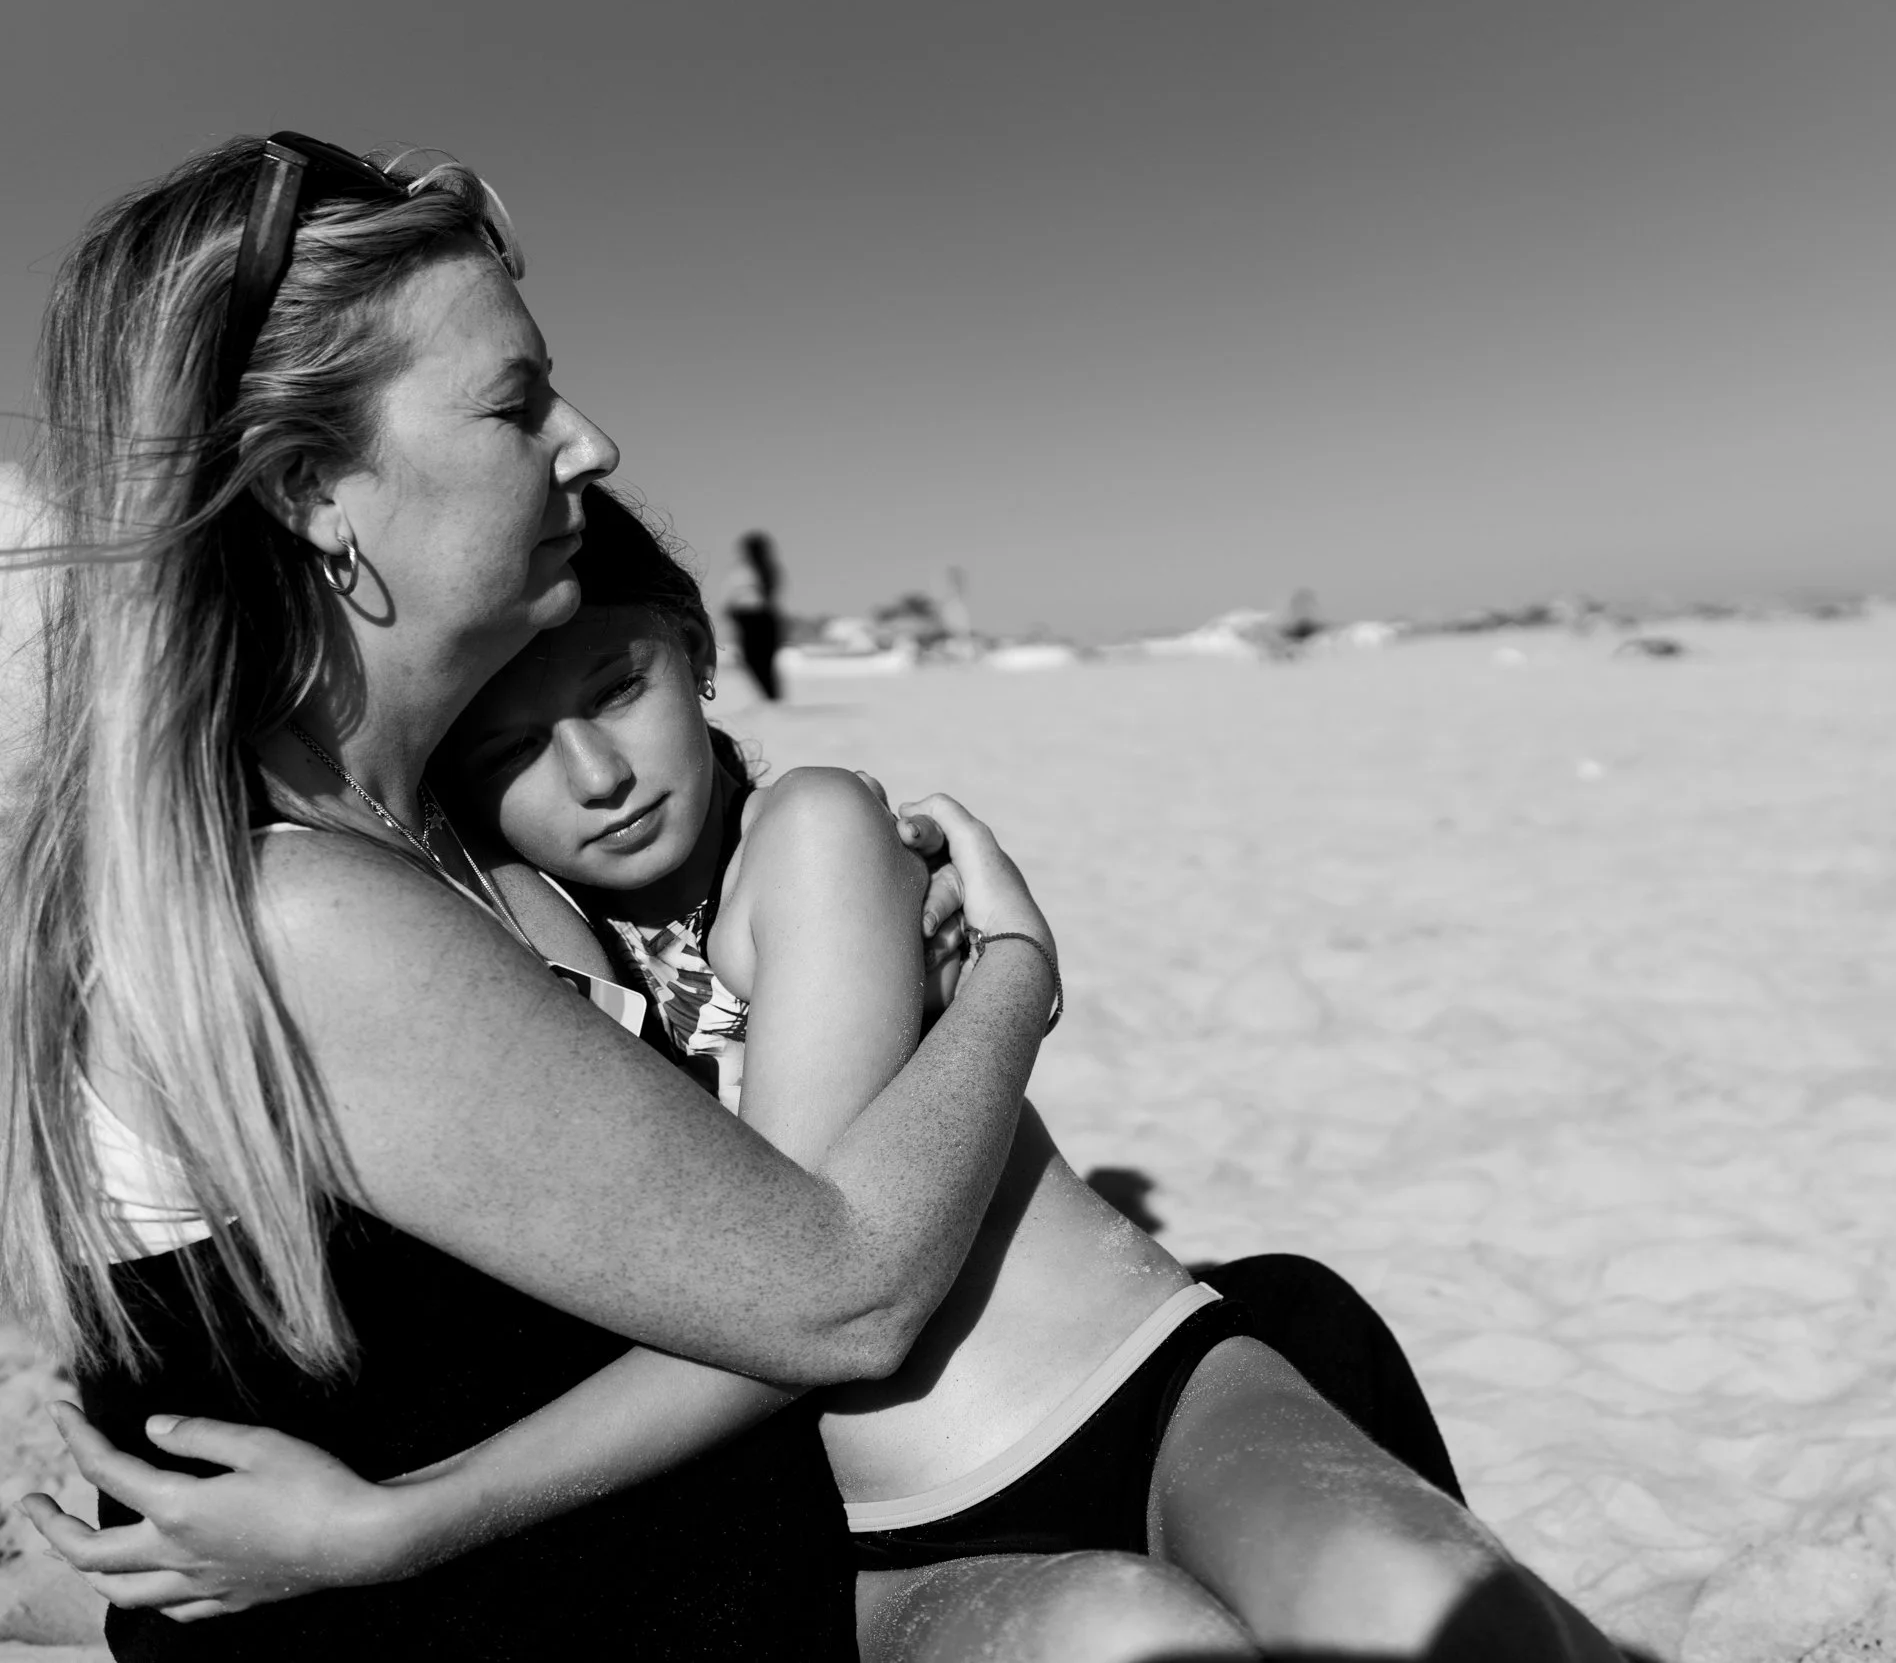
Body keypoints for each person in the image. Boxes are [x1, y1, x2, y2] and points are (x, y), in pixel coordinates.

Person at [29, 487, 1619, 1661]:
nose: (592, 774)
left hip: (1111, 1389)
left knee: (1427, 1621)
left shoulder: (821, 833)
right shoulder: (520, 928)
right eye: (513, 745)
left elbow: (813, 1279)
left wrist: (402, 1520)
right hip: (850, 1531)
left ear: (699, 658)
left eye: (615, 688)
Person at [724, 527, 786, 699]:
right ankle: (768, 698)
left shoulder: (762, 569)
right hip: (748, 618)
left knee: (762, 660)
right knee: (753, 660)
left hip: (758, 618)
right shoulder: (745, 569)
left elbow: (763, 595)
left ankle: (771, 698)